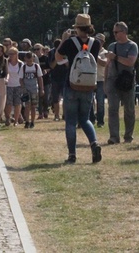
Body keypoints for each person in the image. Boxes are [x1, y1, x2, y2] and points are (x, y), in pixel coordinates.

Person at [55, 14, 102, 164]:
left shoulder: (69, 42)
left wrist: (63, 39)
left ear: (77, 27)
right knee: (85, 119)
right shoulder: (96, 44)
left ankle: (72, 154)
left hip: (72, 84)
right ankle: (94, 143)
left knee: (70, 121)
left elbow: (58, 58)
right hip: (88, 86)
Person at [105, 22, 138, 145]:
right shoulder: (111, 46)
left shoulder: (132, 46)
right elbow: (108, 64)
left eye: (116, 32)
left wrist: (116, 57)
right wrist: (105, 81)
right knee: (113, 109)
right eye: (114, 32)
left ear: (124, 32)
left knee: (129, 110)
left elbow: (130, 62)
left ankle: (128, 136)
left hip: (127, 81)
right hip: (113, 81)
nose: (114, 34)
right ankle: (114, 137)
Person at [18, 52, 43, 129]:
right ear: (25, 59)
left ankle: (32, 121)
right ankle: (27, 121)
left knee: (33, 106)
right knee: (27, 106)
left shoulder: (36, 66)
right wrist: (23, 88)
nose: (29, 61)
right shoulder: (23, 67)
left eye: (30, 59)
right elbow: (21, 79)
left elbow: (40, 78)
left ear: (33, 58)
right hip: (26, 89)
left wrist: (41, 89)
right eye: (27, 59)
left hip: (34, 88)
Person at [89, 34, 108, 127]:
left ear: (103, 42)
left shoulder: (105, 52)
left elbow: (104, 63)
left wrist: (95, 55)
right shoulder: (89, 50)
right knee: (89, 101)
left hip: (101, 79)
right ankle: (91, 120)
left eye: (99, 41)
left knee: (100, 102)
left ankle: (100, 121)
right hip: (91, 79)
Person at [49, 38, 68, 121]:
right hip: (54, 78)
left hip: (65, 77)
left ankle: (65, 115)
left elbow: (68, 65)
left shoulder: (67, 52)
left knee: (65, 98)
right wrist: (57, 58)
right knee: (55, 98)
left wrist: (63, 58)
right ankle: (56, 115)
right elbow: (52, 66)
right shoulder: (51, 53)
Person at [4, 47, 24, 126]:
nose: (10, 56)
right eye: (9, 54)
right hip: (8, 85)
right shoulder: (6, 62)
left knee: (17, 103)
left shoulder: (21, 64)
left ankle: (16, 120)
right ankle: (8, 118)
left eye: (12, 54)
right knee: (8, 103)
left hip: (18, 85)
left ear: (16, 54)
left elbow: (22, 76)